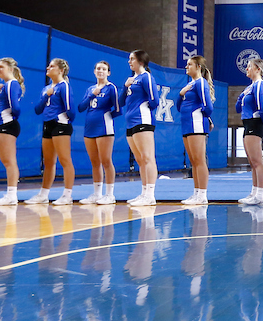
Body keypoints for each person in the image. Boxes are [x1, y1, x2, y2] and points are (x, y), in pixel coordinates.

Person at [25, 58, 76, 205]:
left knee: (65, 160)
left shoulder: (64, 86)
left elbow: (70, 109)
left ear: (60, 70)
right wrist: (47, 94)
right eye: (48, 65)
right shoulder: (46, 89)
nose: (48, 68)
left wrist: (65, 123)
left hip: (61, 125)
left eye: (52, 66)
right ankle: (43, 194)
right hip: (47, 125)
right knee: (48, 162)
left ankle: (67, 195)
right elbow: (37, 110)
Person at [121, 49, 161, 206]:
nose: (129, 61)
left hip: (142, 121)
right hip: (130, 122)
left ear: (141, 61)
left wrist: (143, 109)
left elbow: (154, 100)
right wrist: (125, 87)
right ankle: (144, 193)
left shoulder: (146, 77)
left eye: (132, 59)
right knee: (139, 159)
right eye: (129, 59)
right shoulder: (131, 79)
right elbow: (121, 100)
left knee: (147, 157)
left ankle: (150, 195)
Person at [77, 60, 120, 205]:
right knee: (94, 162)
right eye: (98, 69)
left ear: (108, 73)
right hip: (89, 127)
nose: (100, 71)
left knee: (106, 161)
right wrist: (92, 95)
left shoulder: (111, 88)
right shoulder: (90, 89)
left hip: (104, 128)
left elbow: (118, 109)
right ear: (94, 71)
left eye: (104, 69)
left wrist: (107, 117)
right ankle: (97, 194)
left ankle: (110, 194)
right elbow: (81, 107)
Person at [179, 54, 215, 205]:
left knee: (199, 160)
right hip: (187, 125)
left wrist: (205, 119)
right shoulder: (190, 85)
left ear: (198, 67)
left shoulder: (201, 83)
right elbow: (179, 107)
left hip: (197, 125)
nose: (186, 67)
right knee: (193, 161)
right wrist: (181, 94)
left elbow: (208, 106)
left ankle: (202, 194)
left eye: (189, 64)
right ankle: (195, 193)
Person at [0, 57, 24, 207]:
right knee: (7, 161)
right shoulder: (4, 86)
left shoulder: (12, 84)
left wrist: (11, 119)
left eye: (1, 67)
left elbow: (15, 107)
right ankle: (11, 194)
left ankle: (11, 195)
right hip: (3, 125)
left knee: (9, 162)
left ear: (10, 69)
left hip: (7, 125)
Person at [235, 57, 263, 205]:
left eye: (249, 66)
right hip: (248, 123)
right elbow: (238, 108)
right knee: (252, 161)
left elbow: (262, 107)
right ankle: (254, 192)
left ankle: (259, 194)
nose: (247, 69)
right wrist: (240, 97)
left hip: (255, 123)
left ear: (258, 69)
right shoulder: (249, 87)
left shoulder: (259, 84)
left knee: (257, 161)